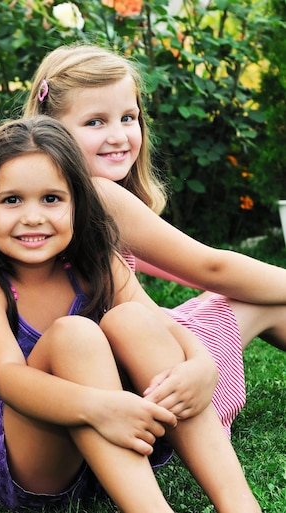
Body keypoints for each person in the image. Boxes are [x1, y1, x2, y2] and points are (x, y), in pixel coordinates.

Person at [0, 115, 260, 513]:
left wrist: (202, 365)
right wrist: (97, 407)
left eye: (51, 198)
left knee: (131, 319)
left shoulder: (95, 261)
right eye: (11, 200)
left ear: (78, 202)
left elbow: (161, 322)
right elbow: (7, 378)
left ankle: (238, 504)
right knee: (74, 335)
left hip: (113, 436)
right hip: (22, 457)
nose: (32, 216)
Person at [23, 43, 286, 437]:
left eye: (129, 117)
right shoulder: (99, 193)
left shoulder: (51, 202)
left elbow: (174, 268)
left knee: (246, 294)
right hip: (140, 375)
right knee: (259, 300)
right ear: (53, 131)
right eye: (95, 122)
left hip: (107, 369)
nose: (119, 135)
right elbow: (210, 267)